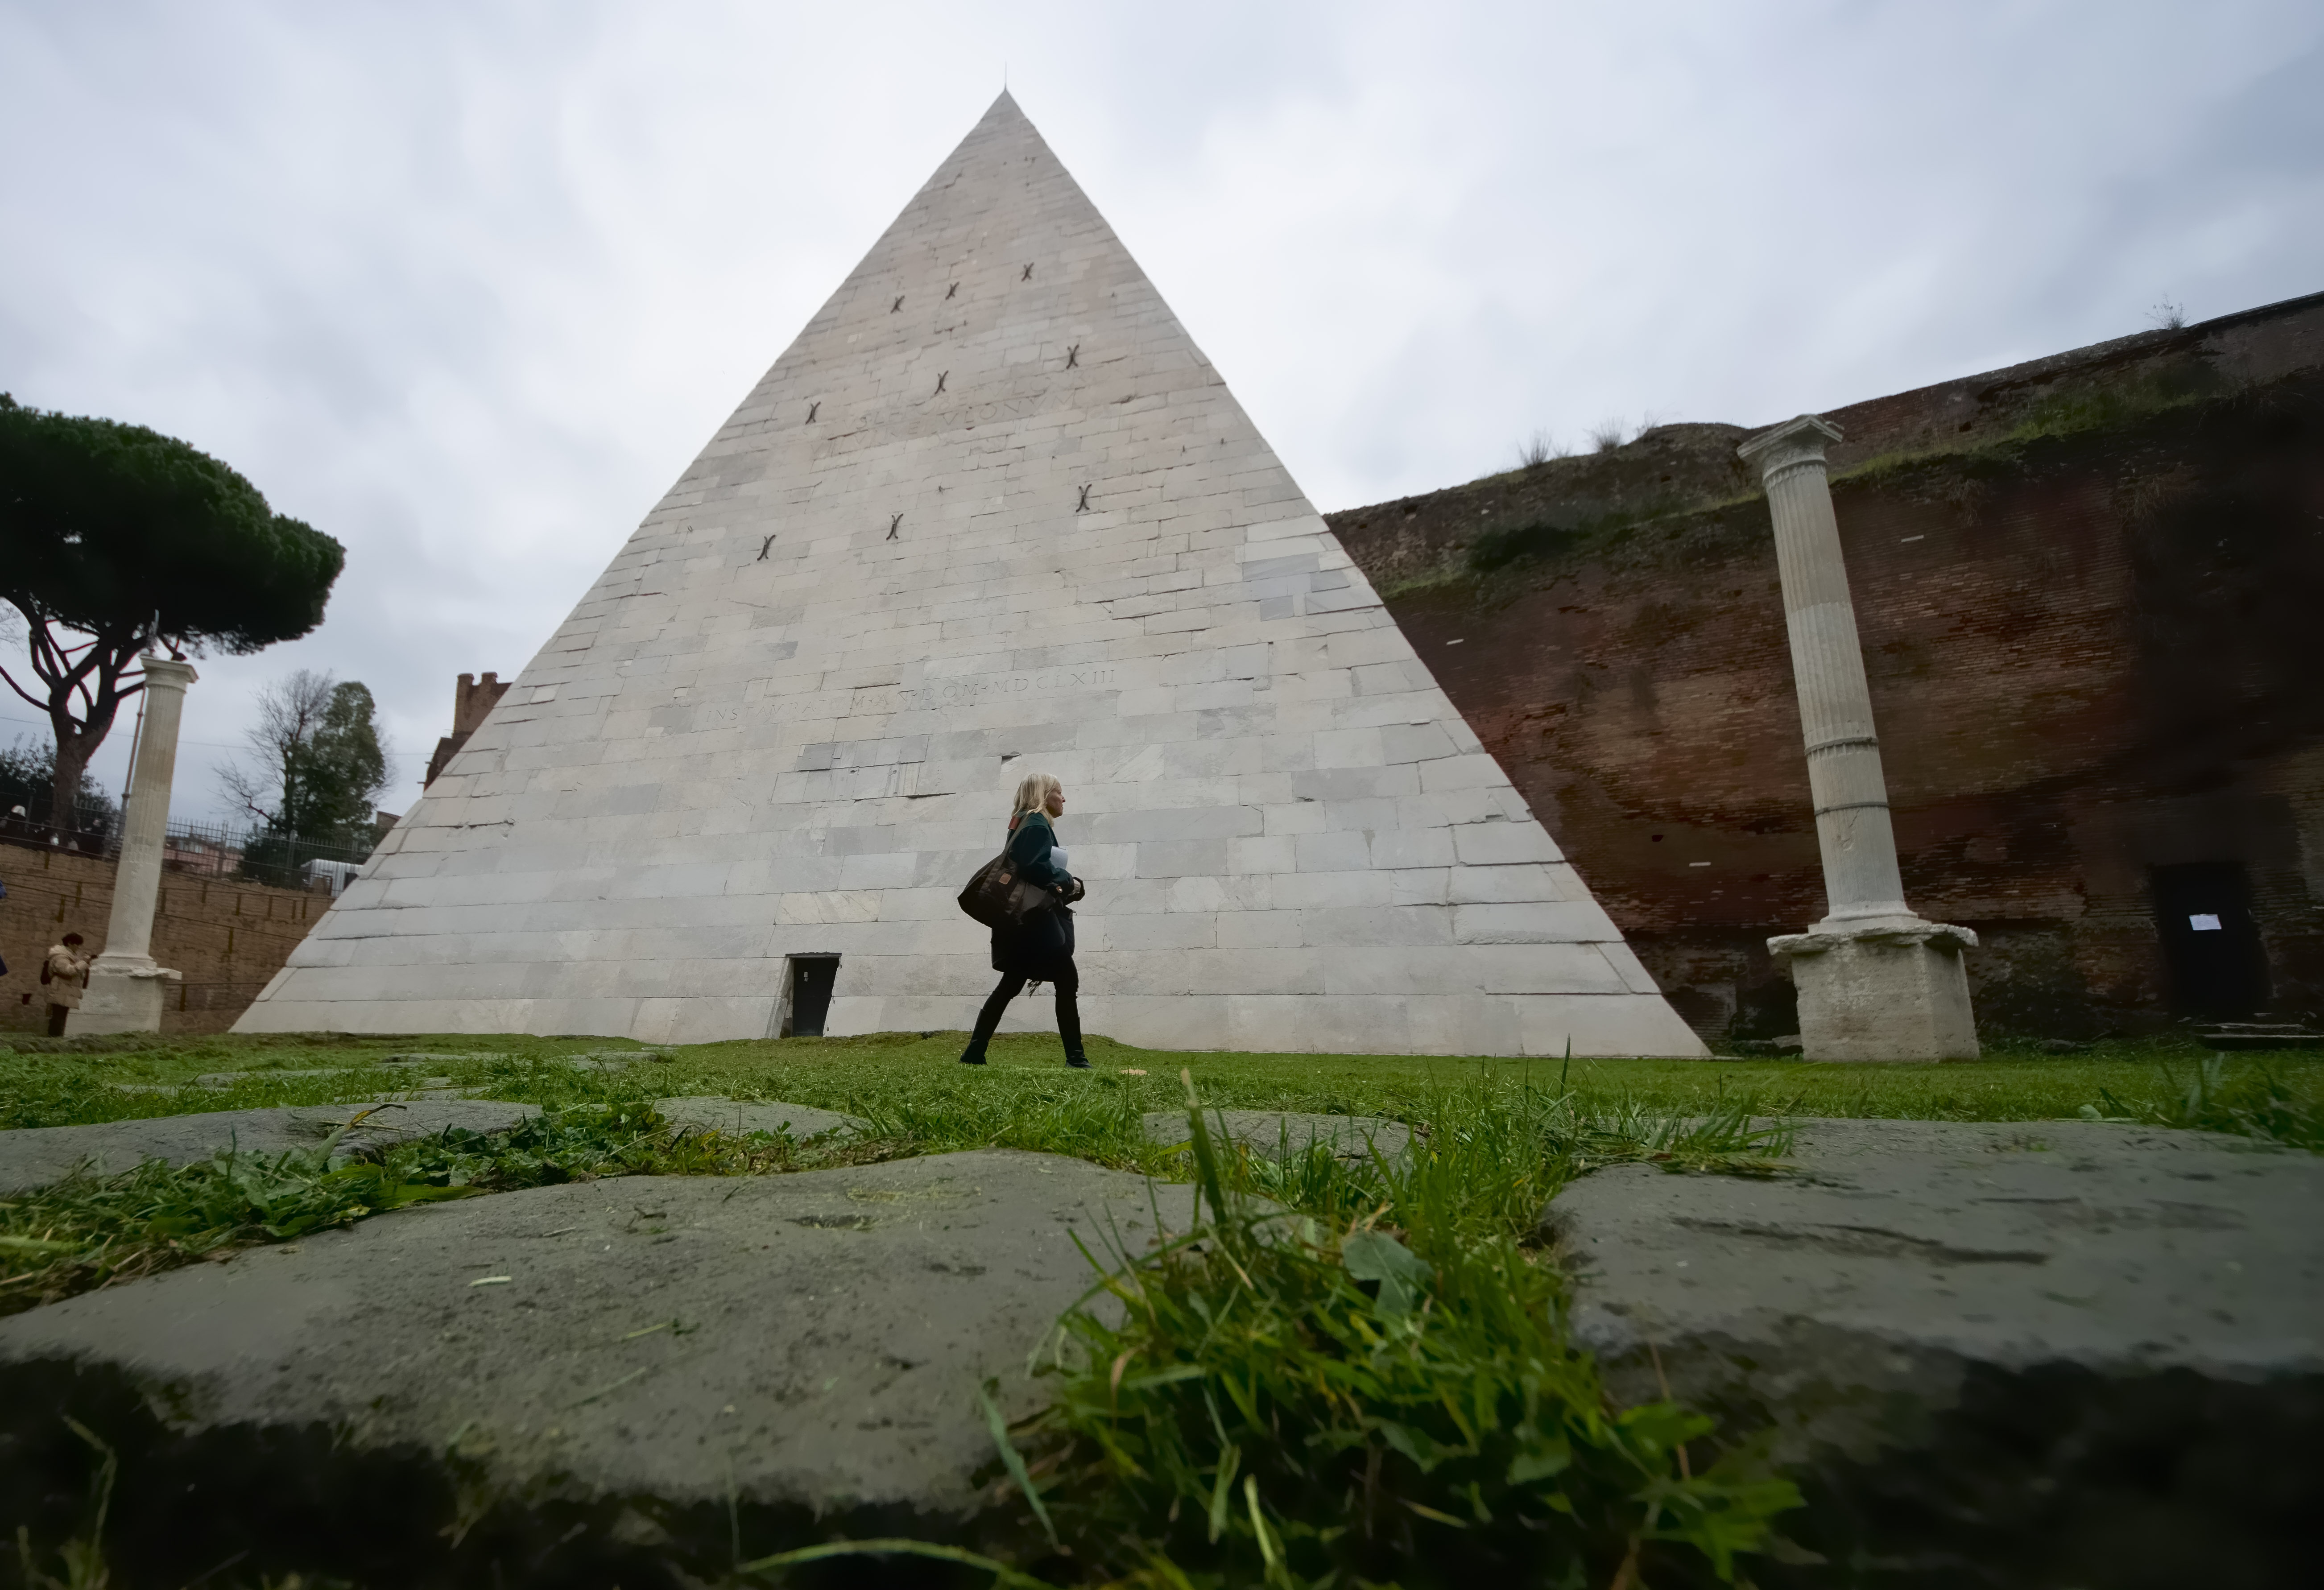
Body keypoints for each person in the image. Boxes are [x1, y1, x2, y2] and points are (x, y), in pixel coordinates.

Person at [959, 772, 1088, 1069]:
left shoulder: (1022, 823)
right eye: (1059, 791)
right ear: (1045, 794)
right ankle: (1077, 1059)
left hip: (1021, 923)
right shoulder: (1035, 822)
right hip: (1035, 923)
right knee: (1066, 979)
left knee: (1011, 983)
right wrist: (1070, 881)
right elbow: (1035, 866)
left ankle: (975, 1052)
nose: (1063, 798)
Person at [42, 931, 89, 1037]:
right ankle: (54, 1039)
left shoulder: (69, 956)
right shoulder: (61, 956)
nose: (78, 947)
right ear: (70, 943)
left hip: (65, 991)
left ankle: (56, 1039)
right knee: (58, 1017)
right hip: (60, 990)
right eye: (76, 944)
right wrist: (84, 963)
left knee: (61, 1017)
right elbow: (68, 971)